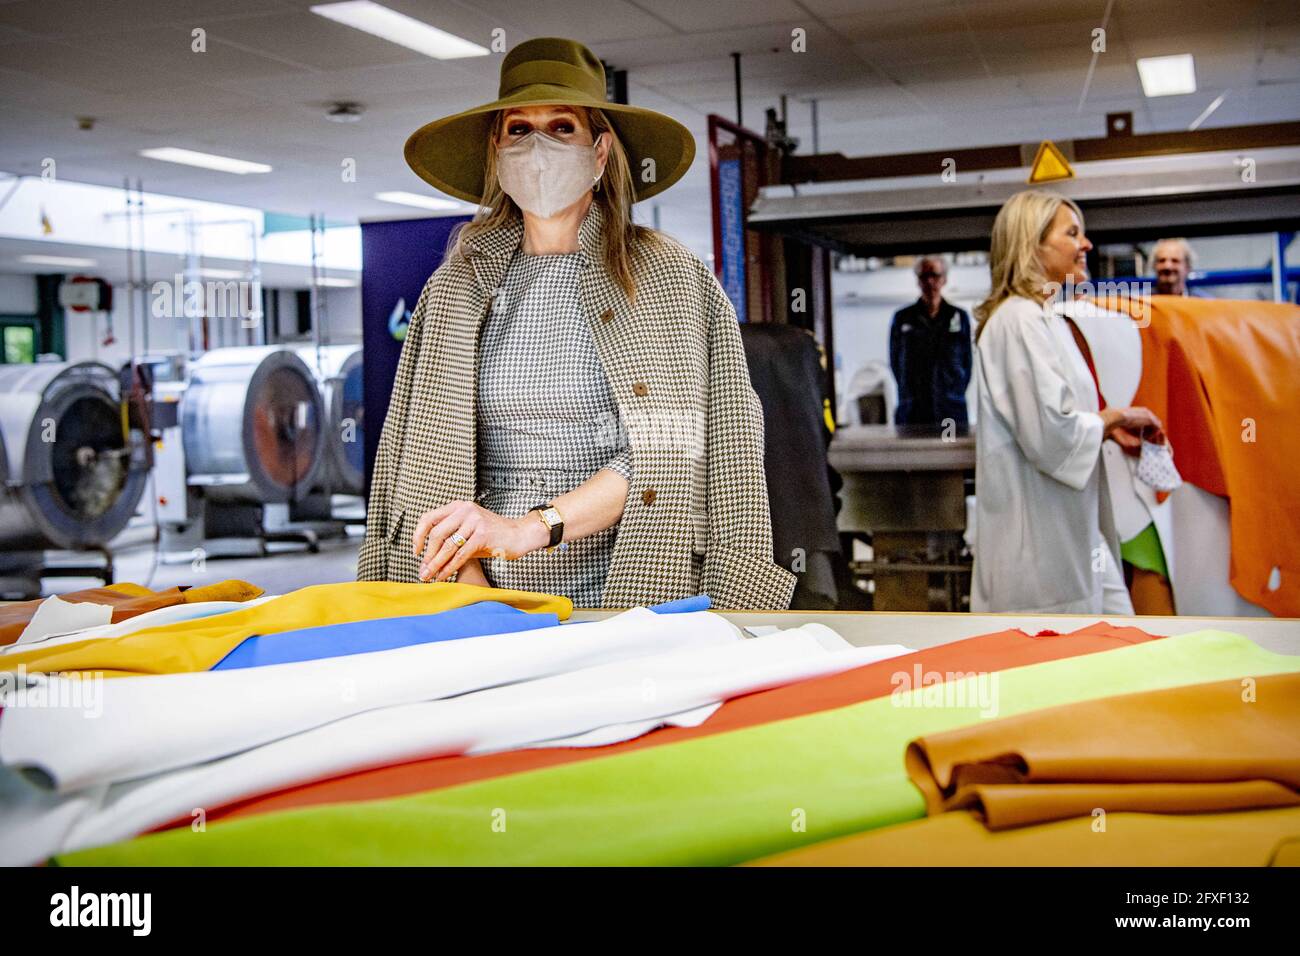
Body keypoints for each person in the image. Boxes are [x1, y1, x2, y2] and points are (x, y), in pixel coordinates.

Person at [357, 37, 795, 610]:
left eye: (562, 127)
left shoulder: (666, 277)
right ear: (496, 148)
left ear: (601, 151)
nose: (538, 146)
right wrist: (470, 584)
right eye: (519, 129)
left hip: (631, 584)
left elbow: (664, 448)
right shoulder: (455, 288)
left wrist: (527, 529)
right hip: (478, 593)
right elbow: (421, 452)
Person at [971, 190, 1164, 613]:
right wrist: (1118, 417)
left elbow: (1058, 420)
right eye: (1073, 233)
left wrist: (1109, 434)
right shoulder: (1018, 321)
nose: (1086, 245)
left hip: (1072, 533)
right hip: (1039, 553)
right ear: (1033, 245)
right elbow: (1051, 434)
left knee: (1119, 635)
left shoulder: (1047, 318)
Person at [888, 256, 972, 427]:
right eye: (924, 276)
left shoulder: (958, 317)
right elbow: (896, 362)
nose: (930, 281)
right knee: (915, 453)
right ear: (918, 281)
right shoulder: (903, 318)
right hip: (913, 411)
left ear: (944, 279)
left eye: (935, 275)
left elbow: (967, 363)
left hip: (950, 411)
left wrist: (953, 391)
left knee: (951, 451)